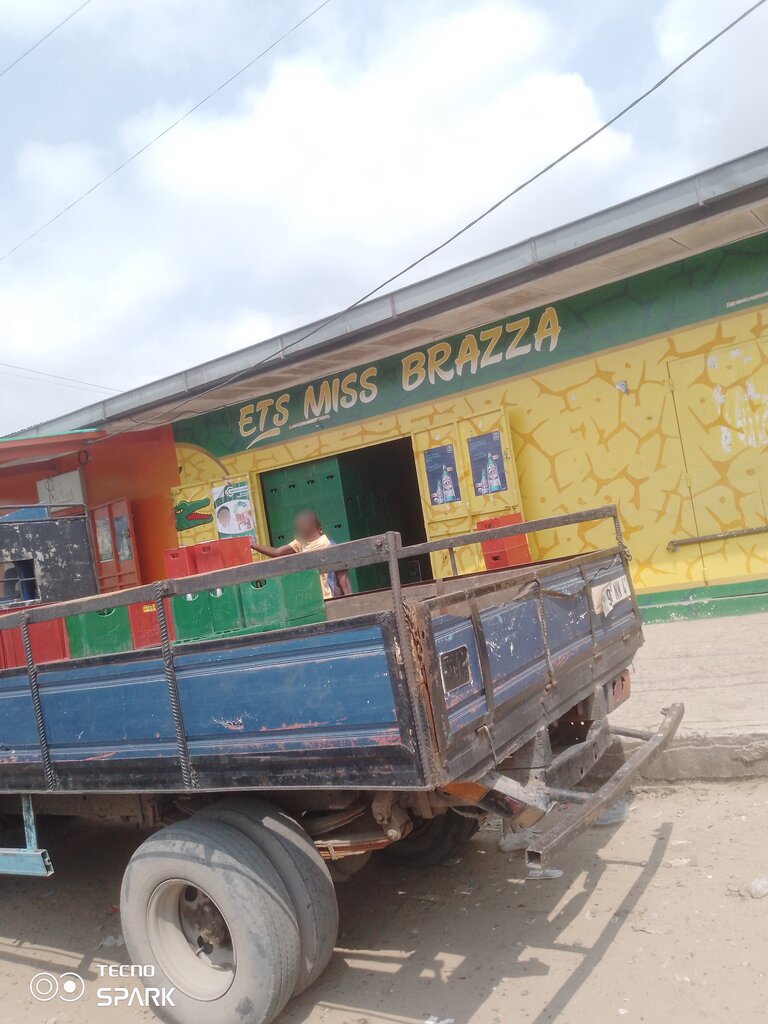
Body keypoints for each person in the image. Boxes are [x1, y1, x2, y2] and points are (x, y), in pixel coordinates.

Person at [250, 510, 351, 600]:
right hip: (311, 596)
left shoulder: (328, 545)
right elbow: (277, 552)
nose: (303, 530)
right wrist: (251, 545)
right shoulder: (300, 543)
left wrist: (348, 596)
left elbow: (341, 574)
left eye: (307, 527)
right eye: (301, 529)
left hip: (329, 596)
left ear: (320, 530)